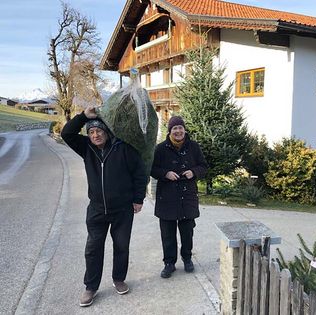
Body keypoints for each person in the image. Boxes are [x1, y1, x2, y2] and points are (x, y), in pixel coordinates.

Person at [61, 105, 147, 307]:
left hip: (122, 210)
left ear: (107, 132)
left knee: (121, 246)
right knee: (93, 249)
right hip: (97, 210)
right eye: (91, 132)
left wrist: (138, 199)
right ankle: (91, 287)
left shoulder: (123, 148)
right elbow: (67, 133)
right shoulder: (86, 148)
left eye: (99, 131)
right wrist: (83, 116)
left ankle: (119, 279)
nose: (95, 135)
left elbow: (139, 174)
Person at [151, 116, 208, 278]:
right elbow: (151, 169)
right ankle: (169, 263)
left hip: (187, 196)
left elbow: (204, 166)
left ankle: (187, 258)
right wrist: (165, 173)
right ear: (170, 131)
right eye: (174, 128)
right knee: (167, 233)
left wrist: (194, 172)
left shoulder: (194, 147)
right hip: (167, 197)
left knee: (187, 231)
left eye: (180, 128)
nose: (178, 131)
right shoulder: (160, 149)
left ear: (184, 130)